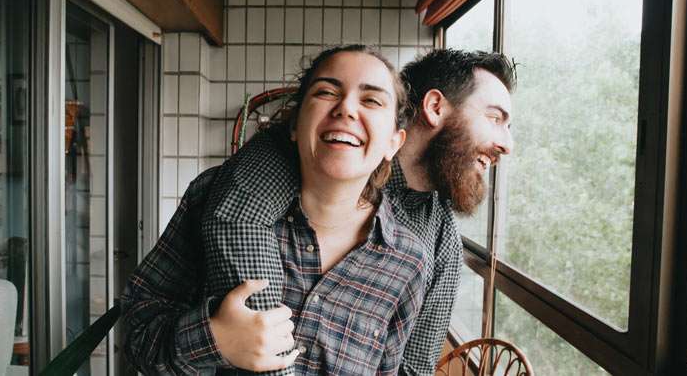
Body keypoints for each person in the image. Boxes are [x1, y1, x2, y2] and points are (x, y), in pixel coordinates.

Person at [121, 48, 516, 375]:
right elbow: (138, 329)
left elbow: (412, 367)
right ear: (432, 107)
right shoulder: (246, 184)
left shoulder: (430, 246)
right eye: (495, 118)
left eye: (372, 100)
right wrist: (213, 338)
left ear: (393, 139)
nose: (507, 144)